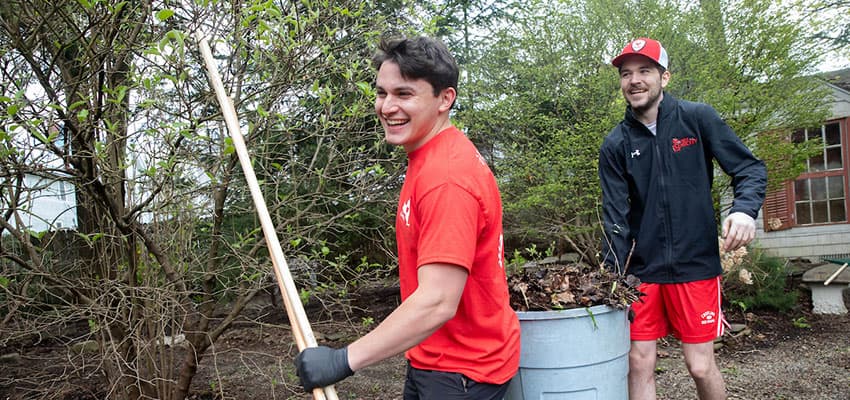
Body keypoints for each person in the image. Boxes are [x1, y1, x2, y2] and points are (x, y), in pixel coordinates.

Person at [293, 35, 521, 400]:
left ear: (445, 99)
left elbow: (437, 301)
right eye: (381, 93)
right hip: (436, 356)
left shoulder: (447, 179)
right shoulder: (430, 155)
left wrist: (344, 359)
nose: (387, 106)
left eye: (404, 94)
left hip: (462, 373)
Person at [598, 38, 767, 400]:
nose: (634, 80)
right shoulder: (615, 144)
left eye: (645, 71)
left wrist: (743, 210)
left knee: (700, 365)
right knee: (638, 362)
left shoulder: (697, 118)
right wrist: (612, 277)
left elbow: (749, 169)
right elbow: (615, 218)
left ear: (665, 77)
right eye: (626, 74)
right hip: (641, 272)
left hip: (695, 264)